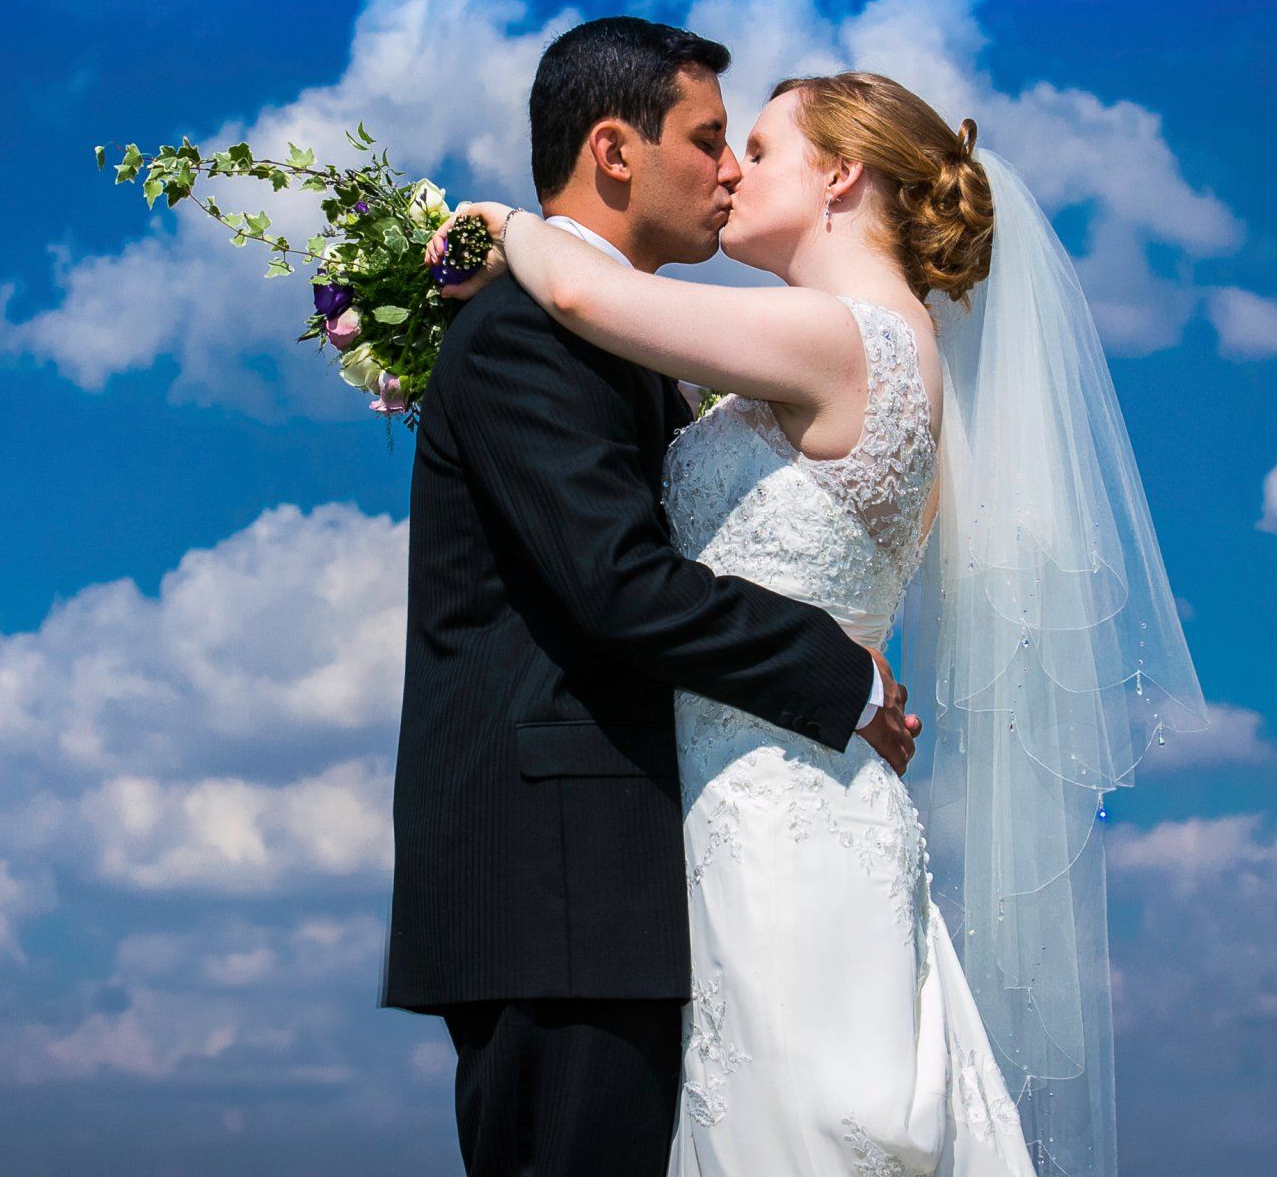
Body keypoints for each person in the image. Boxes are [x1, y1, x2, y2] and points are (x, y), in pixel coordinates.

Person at [427, 66, 1205, 1177]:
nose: (734, 170)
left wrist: (510, 227)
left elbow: (590, 300)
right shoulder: (880, 350)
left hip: (772, 817)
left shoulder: (837, 336)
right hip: (805, 797)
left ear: (840, 174)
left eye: (762, 146)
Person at [380, 19, 922, 1177]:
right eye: (711, 138)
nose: (730, 170)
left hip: (630, 880)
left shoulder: (623, 338)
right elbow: (619, 585)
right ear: (617, 152)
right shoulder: (530, 329)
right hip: (556, 879)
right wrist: (843, 670)